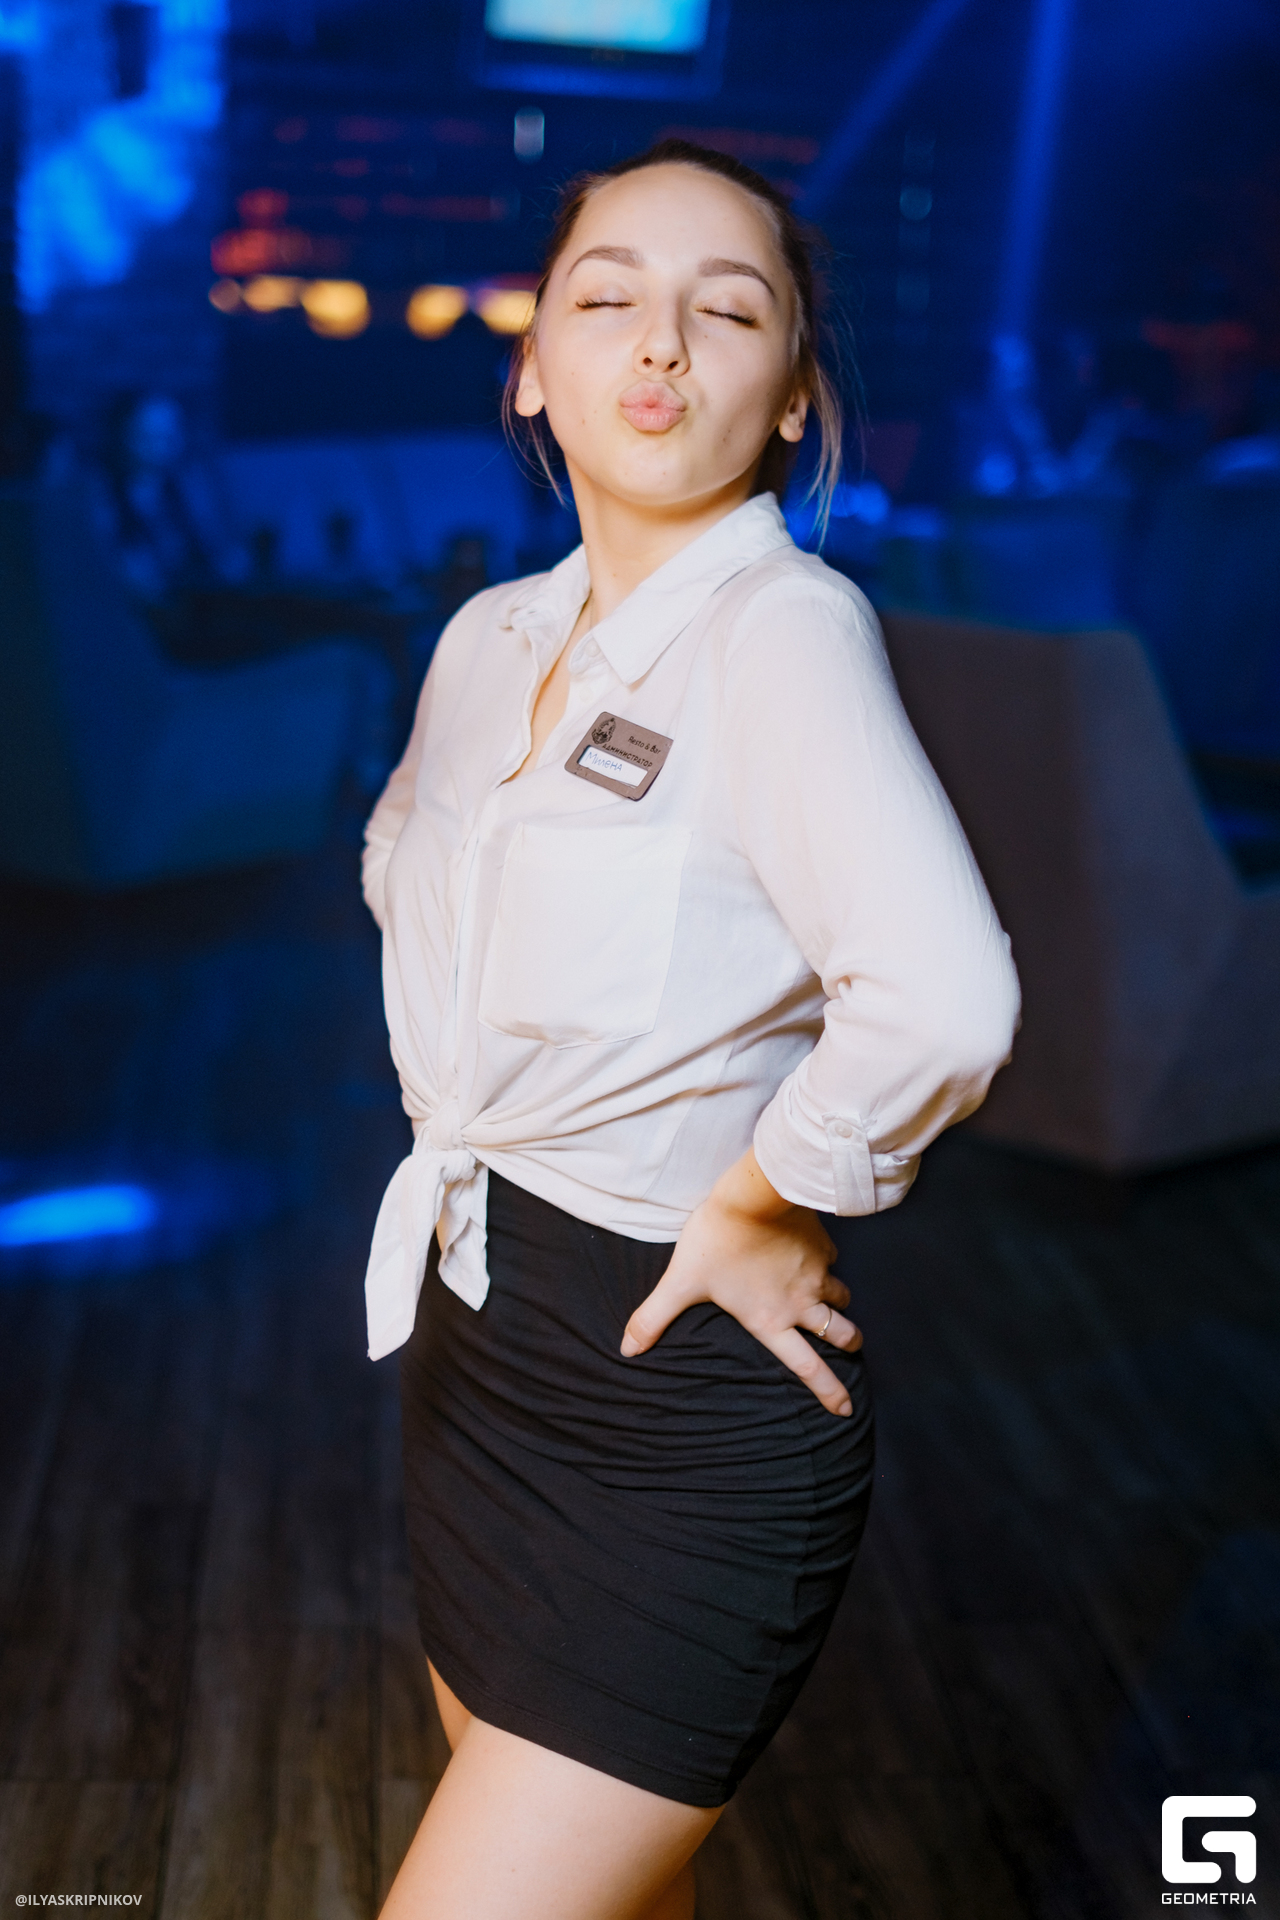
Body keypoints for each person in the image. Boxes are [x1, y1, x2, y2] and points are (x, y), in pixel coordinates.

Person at [361, 139, 1020, 1920]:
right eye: (607, 298)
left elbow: (947, 997)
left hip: (683, 1421)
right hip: (479, 1364)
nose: (660, 343)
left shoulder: (784, 633)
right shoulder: (489, 637)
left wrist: (758, 1190)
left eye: (725, 312)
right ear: (531, 367)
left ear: (794, 396)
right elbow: (403, 853)